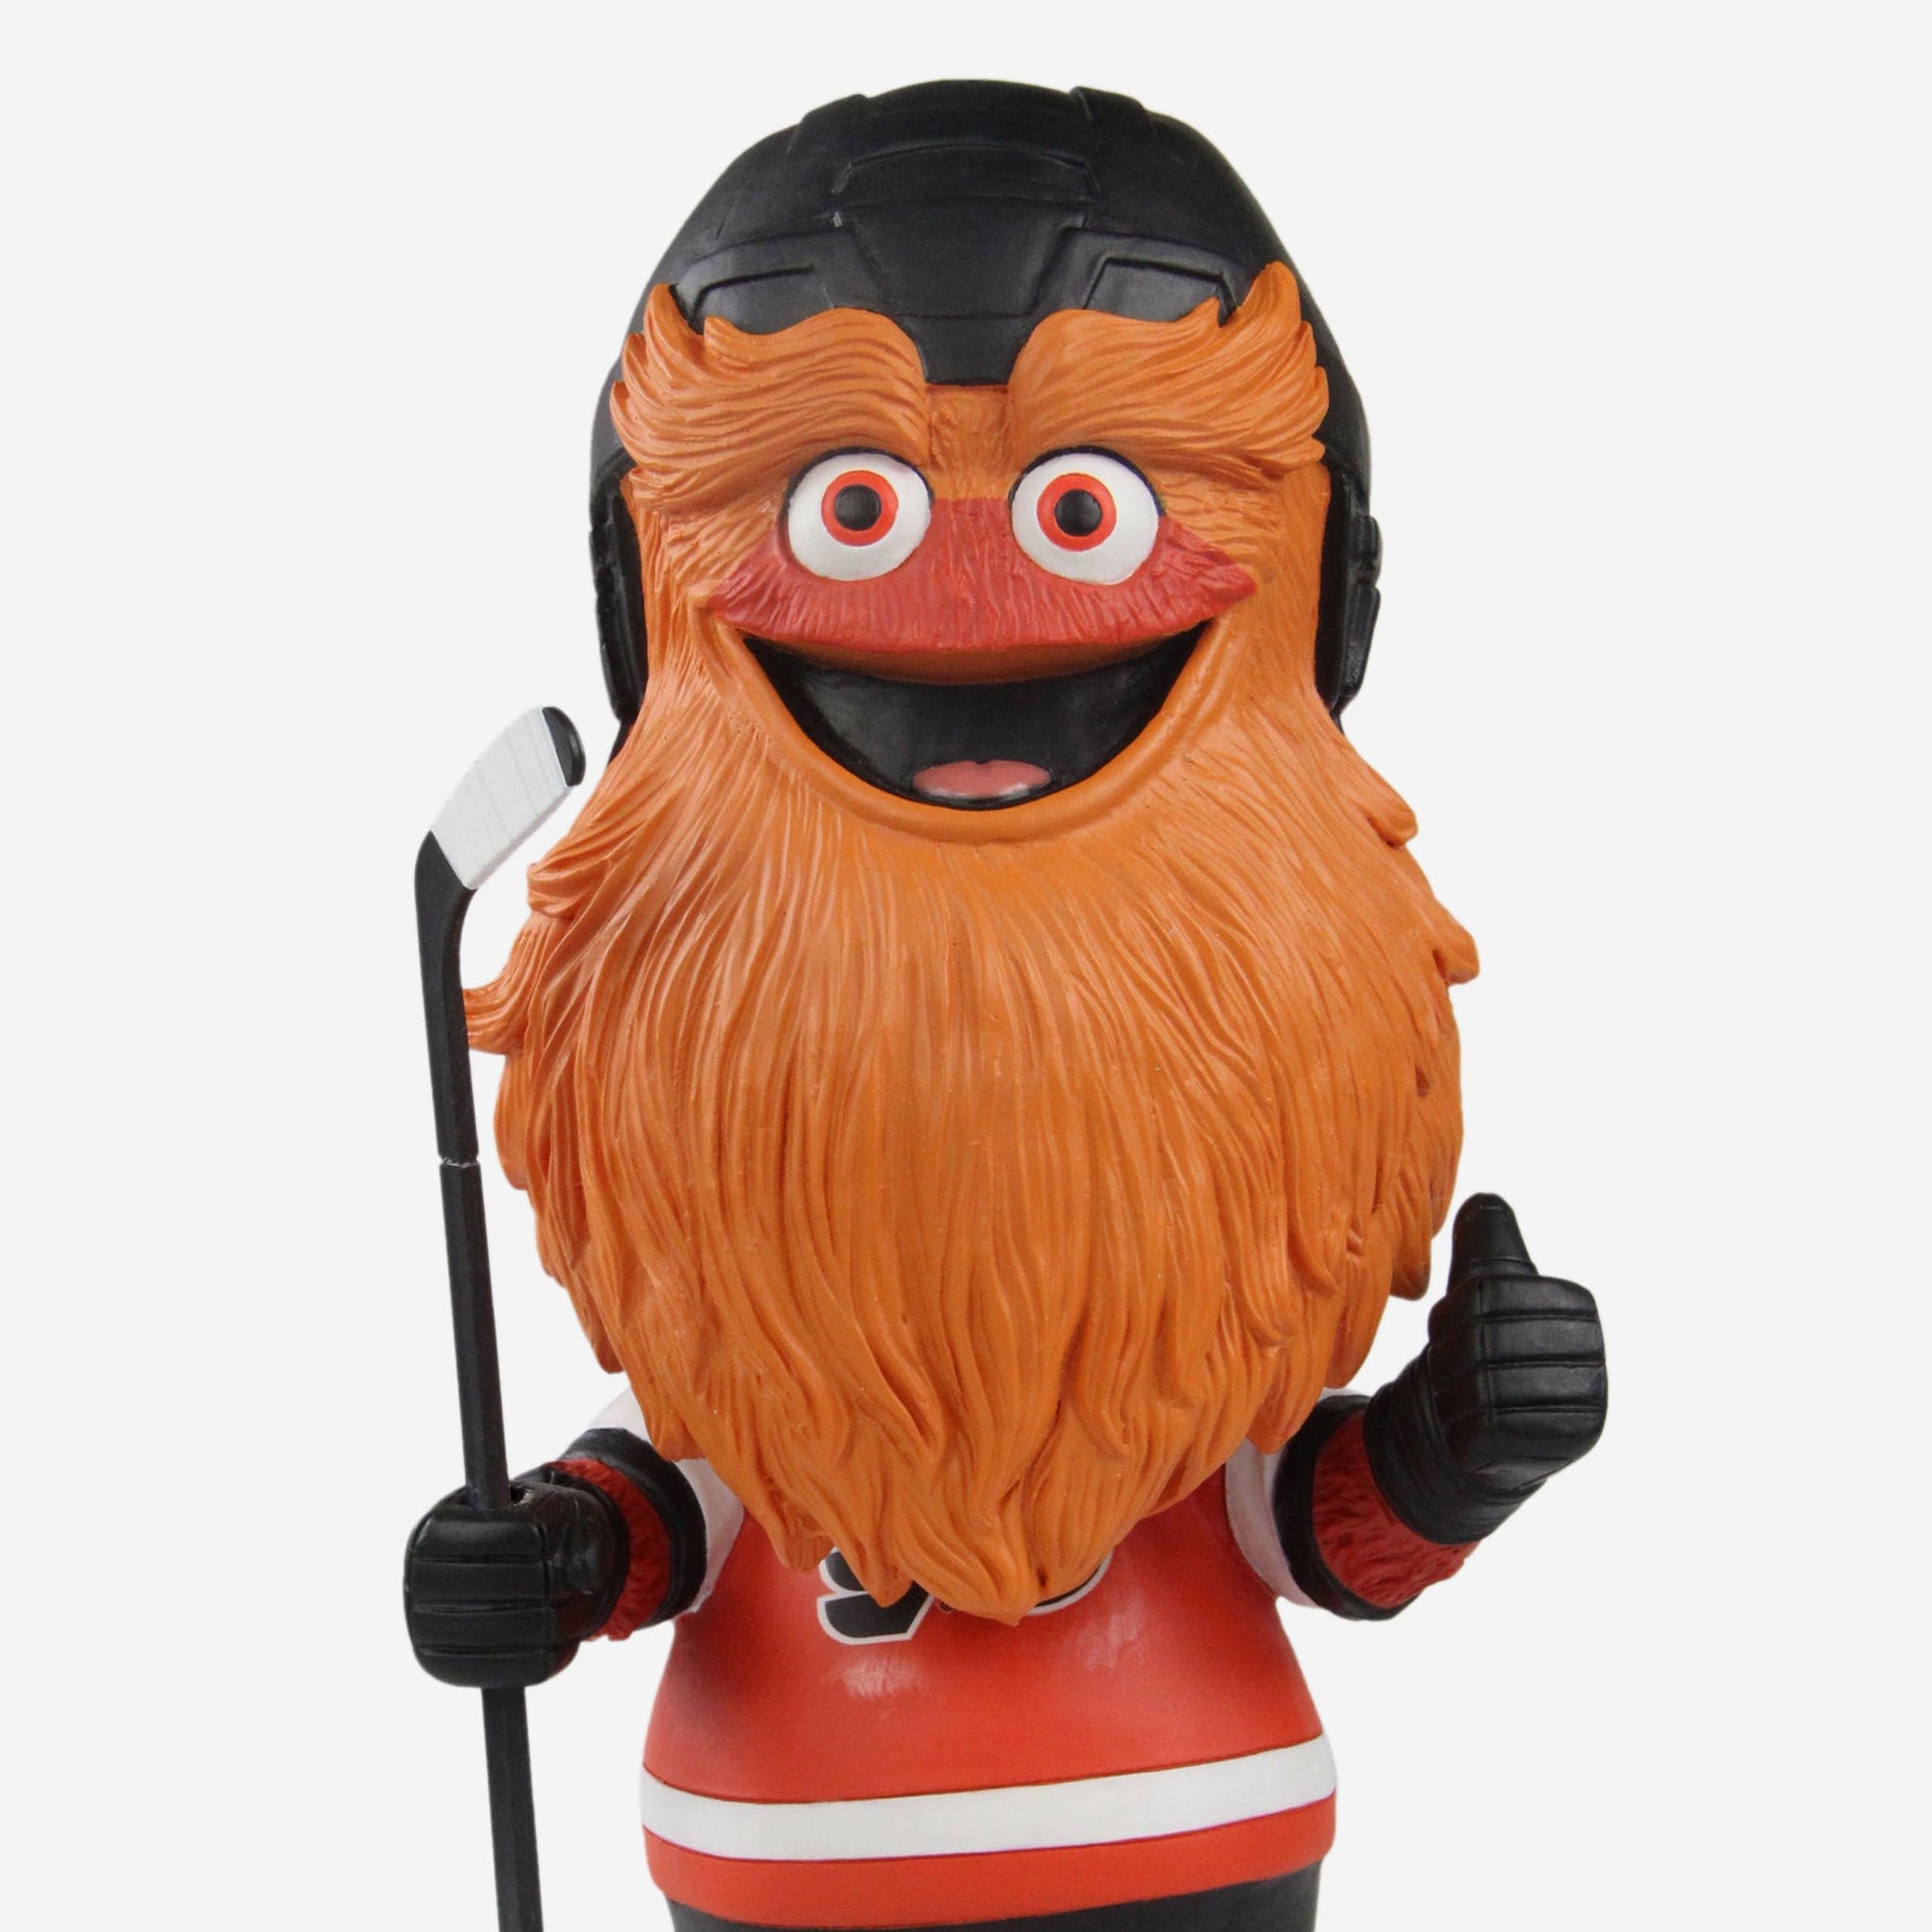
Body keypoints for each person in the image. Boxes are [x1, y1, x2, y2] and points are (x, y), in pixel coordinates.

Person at [404, 81, 1607, 1932]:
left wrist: (1455, 1446)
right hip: (782, 1860)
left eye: (1081, 513)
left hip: (1191, 1841)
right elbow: (674, 1501)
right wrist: (548, 1555)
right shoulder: (754, 1325)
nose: (969, 589)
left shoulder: (1193, 1313)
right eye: (856, 511)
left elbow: (1311, 1525)